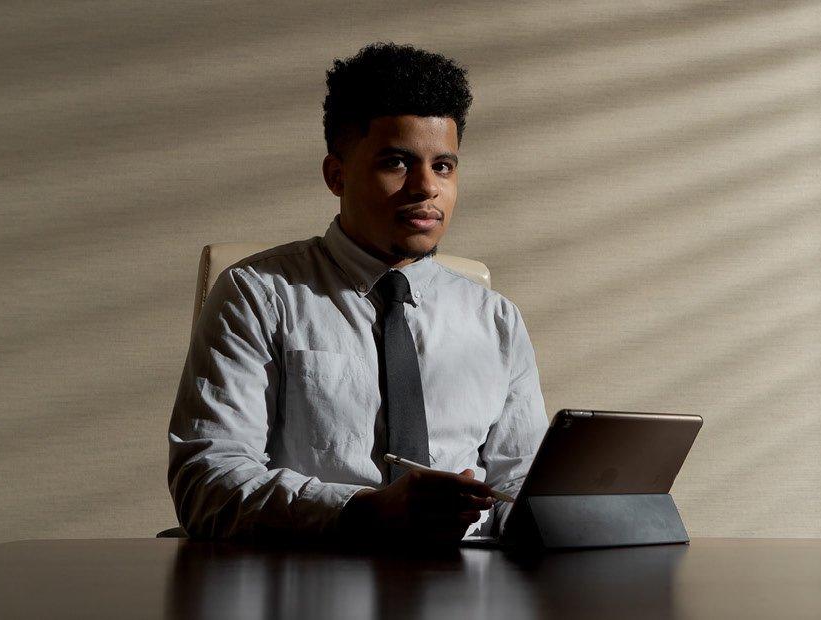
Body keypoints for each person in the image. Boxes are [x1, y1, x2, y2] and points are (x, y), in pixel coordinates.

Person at [167, 43, 547, 546]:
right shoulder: (257, 295)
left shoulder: (497, 320)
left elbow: (519, 484)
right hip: (316, 582)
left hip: (470, 586)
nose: (426, 188)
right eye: (397, 162)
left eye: (444, 166)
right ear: (336, 174)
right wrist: (367, 511)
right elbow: (207, 481)